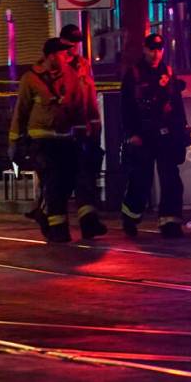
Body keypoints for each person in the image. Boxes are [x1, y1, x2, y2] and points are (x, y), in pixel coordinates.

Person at [8, 38, 104, 243]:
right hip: (42, 141)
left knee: (77, 178)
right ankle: (58, 230)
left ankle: (81, 222)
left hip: (66, 139)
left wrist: (86, 134)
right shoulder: (30, 79)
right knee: (54, 183)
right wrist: (14, 143)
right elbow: (21, 112)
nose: (66, 57)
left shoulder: (70, 76)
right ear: (51, 55)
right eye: (62, 54)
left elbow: (79, 106)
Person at [120, 33, 191, 238]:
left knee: (171, 178)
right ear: (144, 49)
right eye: (152, 49)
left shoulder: (168, 72)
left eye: (159, 49)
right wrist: (132, 133)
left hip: (166, 134)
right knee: (141, 179)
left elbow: (176, 105)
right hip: (143, 134)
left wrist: (183, 129)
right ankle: (130, 217)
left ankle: (170, 222)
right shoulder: (133, 74)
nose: (156, 53)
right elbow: (126, 107)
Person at [59, 23, 108, 239]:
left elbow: (90, 95)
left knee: (84, 176)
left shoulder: (84, 65)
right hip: (61, 133)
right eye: (70, 44)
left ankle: (88, 222)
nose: (74, 48)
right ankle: (49, 217)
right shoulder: (55, 66)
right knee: (62, 179)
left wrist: (96, 124)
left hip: (83, 130)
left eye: (76, 44)